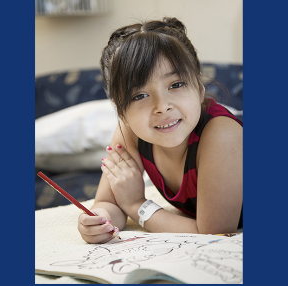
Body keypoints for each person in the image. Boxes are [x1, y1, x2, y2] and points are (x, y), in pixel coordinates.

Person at [77, 18, 244, 244]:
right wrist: (100, 220)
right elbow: (109, 202)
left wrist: (137, 206)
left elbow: (214, 233)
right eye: (139, 96)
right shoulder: (131, 131)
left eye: (175, 85)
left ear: (199, 85)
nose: (162, 107)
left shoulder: (222, 135)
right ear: (121, 109)